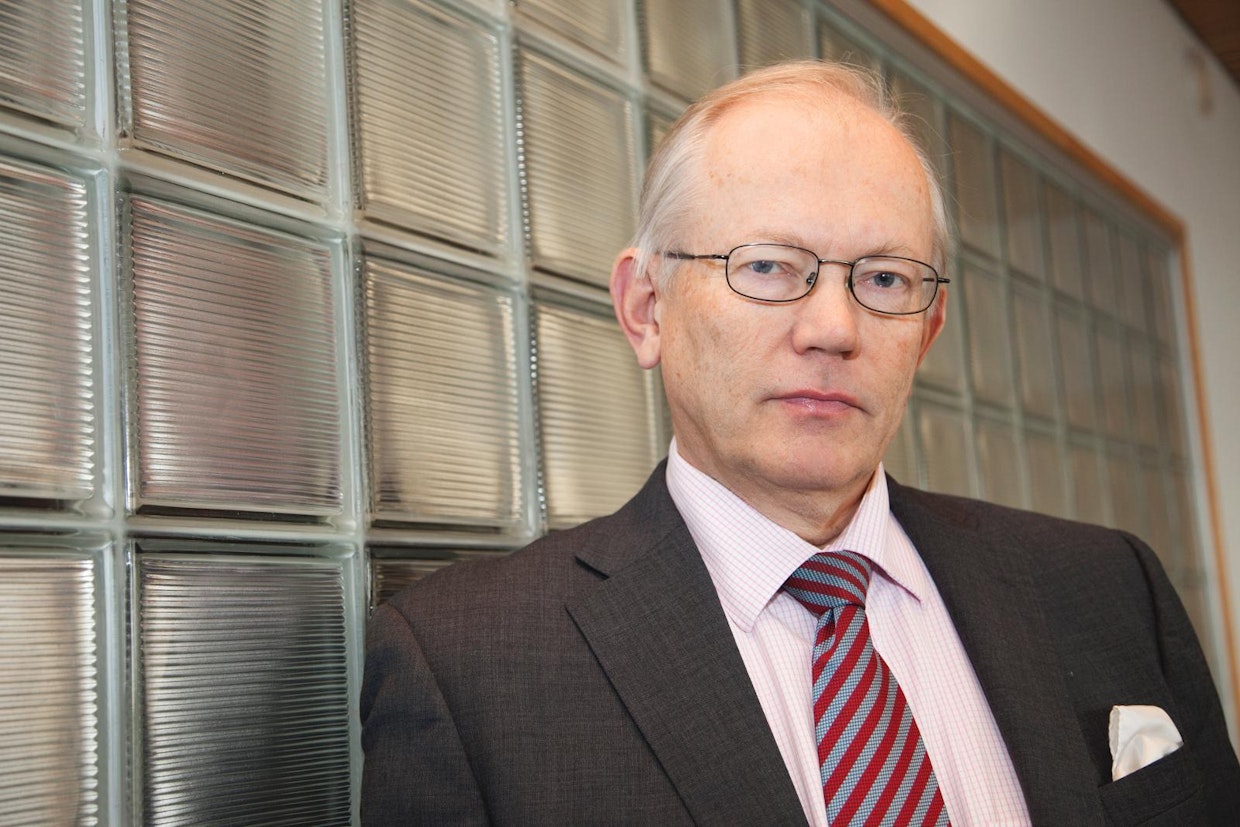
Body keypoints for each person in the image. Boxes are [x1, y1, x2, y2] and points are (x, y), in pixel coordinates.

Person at [361, 59, 1240, 825]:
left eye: (884, 278)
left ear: (927, 331)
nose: (833, 328)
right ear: (646, 308)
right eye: (768, 266)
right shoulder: (466, 663)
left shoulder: (1108, 589)